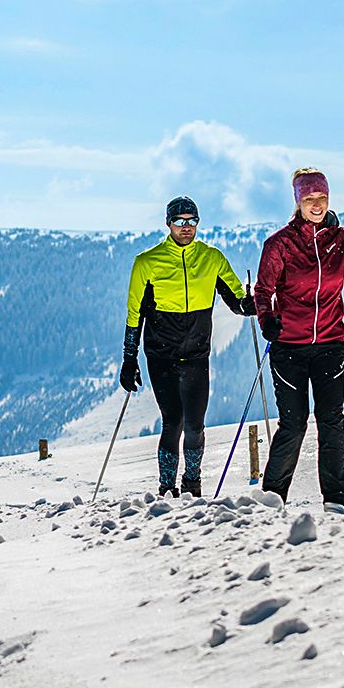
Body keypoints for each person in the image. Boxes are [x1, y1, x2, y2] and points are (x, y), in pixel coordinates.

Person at [251, 169, 344, 513]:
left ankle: (335, 502)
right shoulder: (280, 244)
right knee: (293, 424)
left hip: (329, 345)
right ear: (298, 202)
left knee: (331, 421)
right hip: (288, 348)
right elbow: (262, 290)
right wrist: (268, 321)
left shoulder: (342, 241)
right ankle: (272, 500)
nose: (316, 205)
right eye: (309, 199)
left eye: (322, 198)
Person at [120, 196, 251, 497]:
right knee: (173, 421)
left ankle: (193, 485)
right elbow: (134, 313)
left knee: (195, 425)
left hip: (196, 354)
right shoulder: (147, 263)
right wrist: (129, 358)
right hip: (161, 355)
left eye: (192, 221)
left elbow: (237, 300)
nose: (186, 227)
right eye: (179, 221)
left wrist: (252, 305)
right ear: (168, 224)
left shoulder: (212, 258)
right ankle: (167, 489)